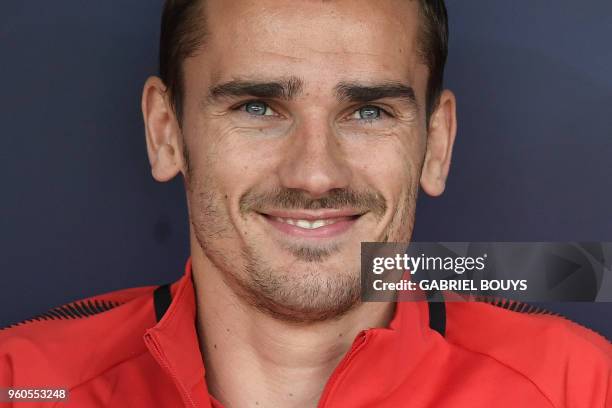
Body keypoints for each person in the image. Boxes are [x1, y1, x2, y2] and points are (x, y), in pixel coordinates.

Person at [1, 0, 611, 407]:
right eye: (257, 107)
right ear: (166, 132)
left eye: (369, 111)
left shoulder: (578, 387)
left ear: (436, 145)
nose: (315, 174)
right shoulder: (23, 386)